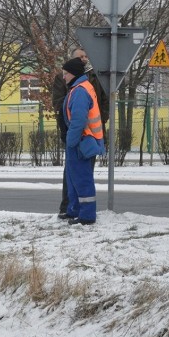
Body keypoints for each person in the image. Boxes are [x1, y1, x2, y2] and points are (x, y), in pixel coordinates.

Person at [52, 48, 109, 219]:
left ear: (74, 74)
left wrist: (70, 140)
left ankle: (86, 215)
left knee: (82, 179)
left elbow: (78, 121)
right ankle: (73, 210)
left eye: (66, 74)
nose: (64, 77)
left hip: (82, 141)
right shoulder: (80, 87)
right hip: (82, 140)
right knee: (74, 178)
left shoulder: (80, 91)